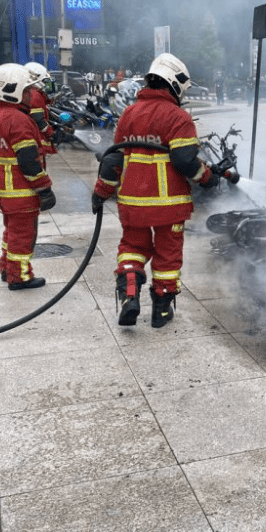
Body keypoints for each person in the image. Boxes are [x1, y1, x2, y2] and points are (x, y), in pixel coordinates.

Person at [91, 53, 219, 328]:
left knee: (132, 248)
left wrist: (101, 192)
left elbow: (113, 159)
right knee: (167, 256)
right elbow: (186, 161)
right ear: (174, 84)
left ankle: (129, 295)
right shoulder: (179, 117)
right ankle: (160, 311)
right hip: (168, 205)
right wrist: (207, 178)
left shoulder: (129, 114)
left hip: (133, 203)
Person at [0, 63, 56, 290]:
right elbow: (28, 162)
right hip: (21, 191)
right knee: (23, 236)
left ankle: (6, 268)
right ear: (13, 90)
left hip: (5, 191)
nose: (29, 95)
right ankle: (19, 277)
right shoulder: (18, 120)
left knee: (11, 233)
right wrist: (44, 188)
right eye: (26, 90)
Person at [24, 61, 58, 157]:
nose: (47, 84)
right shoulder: (35, 95)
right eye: (45, 81)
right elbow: (38, 119)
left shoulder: (33, 93)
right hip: (37, 139)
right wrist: (50, 132)